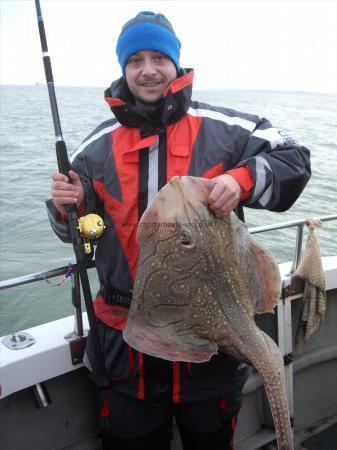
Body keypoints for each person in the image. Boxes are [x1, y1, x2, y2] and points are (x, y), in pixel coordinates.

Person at [47, 11, 311, 450]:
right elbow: (84, 239)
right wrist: (65, 211)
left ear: (176, 63)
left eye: (158, 58)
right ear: (123, 69)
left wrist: (240, 180)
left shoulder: (227, 130)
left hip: (214, 337)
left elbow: (295, 160)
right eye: (135, 60)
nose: (148, 70)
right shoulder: (93, 150)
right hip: (126, 341)